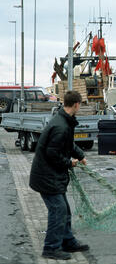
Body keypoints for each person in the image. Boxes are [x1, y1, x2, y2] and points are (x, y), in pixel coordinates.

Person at [29, 91, 89, 260]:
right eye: (80, 104)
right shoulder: (61, 126)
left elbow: (68, 144)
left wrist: (80, 155)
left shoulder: (64, 121)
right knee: (58, 210)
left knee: (64, 209)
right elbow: (52, 154)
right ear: (77, 104)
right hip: (46, 177)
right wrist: (70, 163)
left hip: (52, 176)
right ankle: (51, 248)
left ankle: (67, 242)